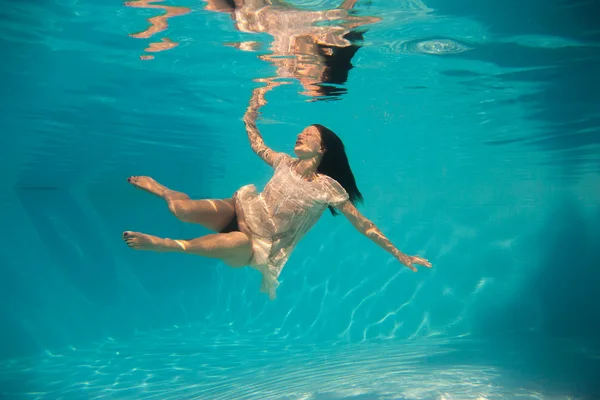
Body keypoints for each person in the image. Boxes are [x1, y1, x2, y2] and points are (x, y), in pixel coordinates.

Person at [123, 80, 431, 300]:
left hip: (257, 243)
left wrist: (400, 254)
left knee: (231, 240)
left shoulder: (329, 188)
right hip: (241, 209)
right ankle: (162, 190)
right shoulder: (283, 161)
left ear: (322, 148)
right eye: (300, 132)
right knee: (181, 209)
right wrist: (252, 110)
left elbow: (364, 226)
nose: (300, 135)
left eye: (307, 135)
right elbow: (256, 143)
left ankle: (164, 244)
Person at [203, 0, 381, 98]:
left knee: (221, 8)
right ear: (326, 55)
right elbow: (352, 10)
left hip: (251, 18)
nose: (299, 74)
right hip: (258, 8)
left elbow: (271, 76)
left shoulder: (289, 65)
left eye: (301, 80)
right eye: (309, 75)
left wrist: (258, 98)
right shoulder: (329, 32)